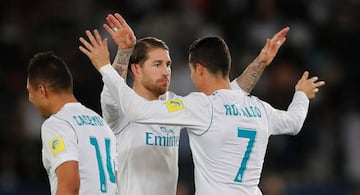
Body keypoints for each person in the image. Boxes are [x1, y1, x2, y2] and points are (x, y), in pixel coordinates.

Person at [80, 29, 325, 194]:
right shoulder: (256, 107)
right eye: (158, 64)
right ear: (137, 70)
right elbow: (288, 120)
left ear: (198, 69)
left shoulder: (194, 106)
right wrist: (300, 93)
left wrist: (104, 66)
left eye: (169, 64)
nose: (167, 71)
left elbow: (136, 109)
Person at [26, 51, 118, 195]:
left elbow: (70, 184)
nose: (30, 99)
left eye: (29, 92)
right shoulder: (100, 122)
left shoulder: (57, 124)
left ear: (42, 90)